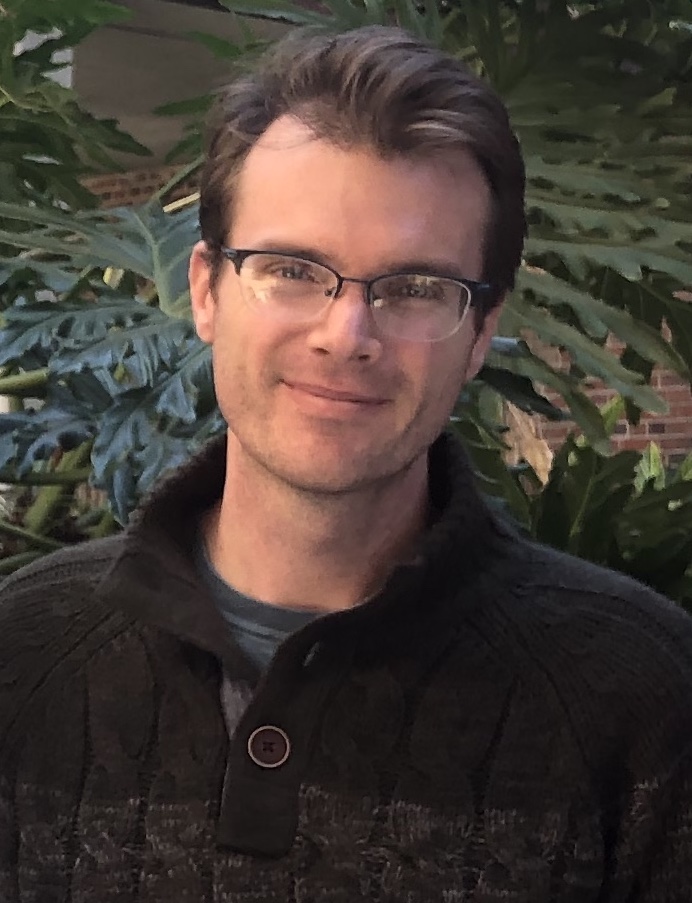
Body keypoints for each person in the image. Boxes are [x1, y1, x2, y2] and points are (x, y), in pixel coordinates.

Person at [1, 24, 692, 903]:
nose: (346, 336)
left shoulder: (642, 697)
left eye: (414, 289)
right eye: (292, 269)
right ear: (208, 289)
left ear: (480, 331)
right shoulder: (20, 654)